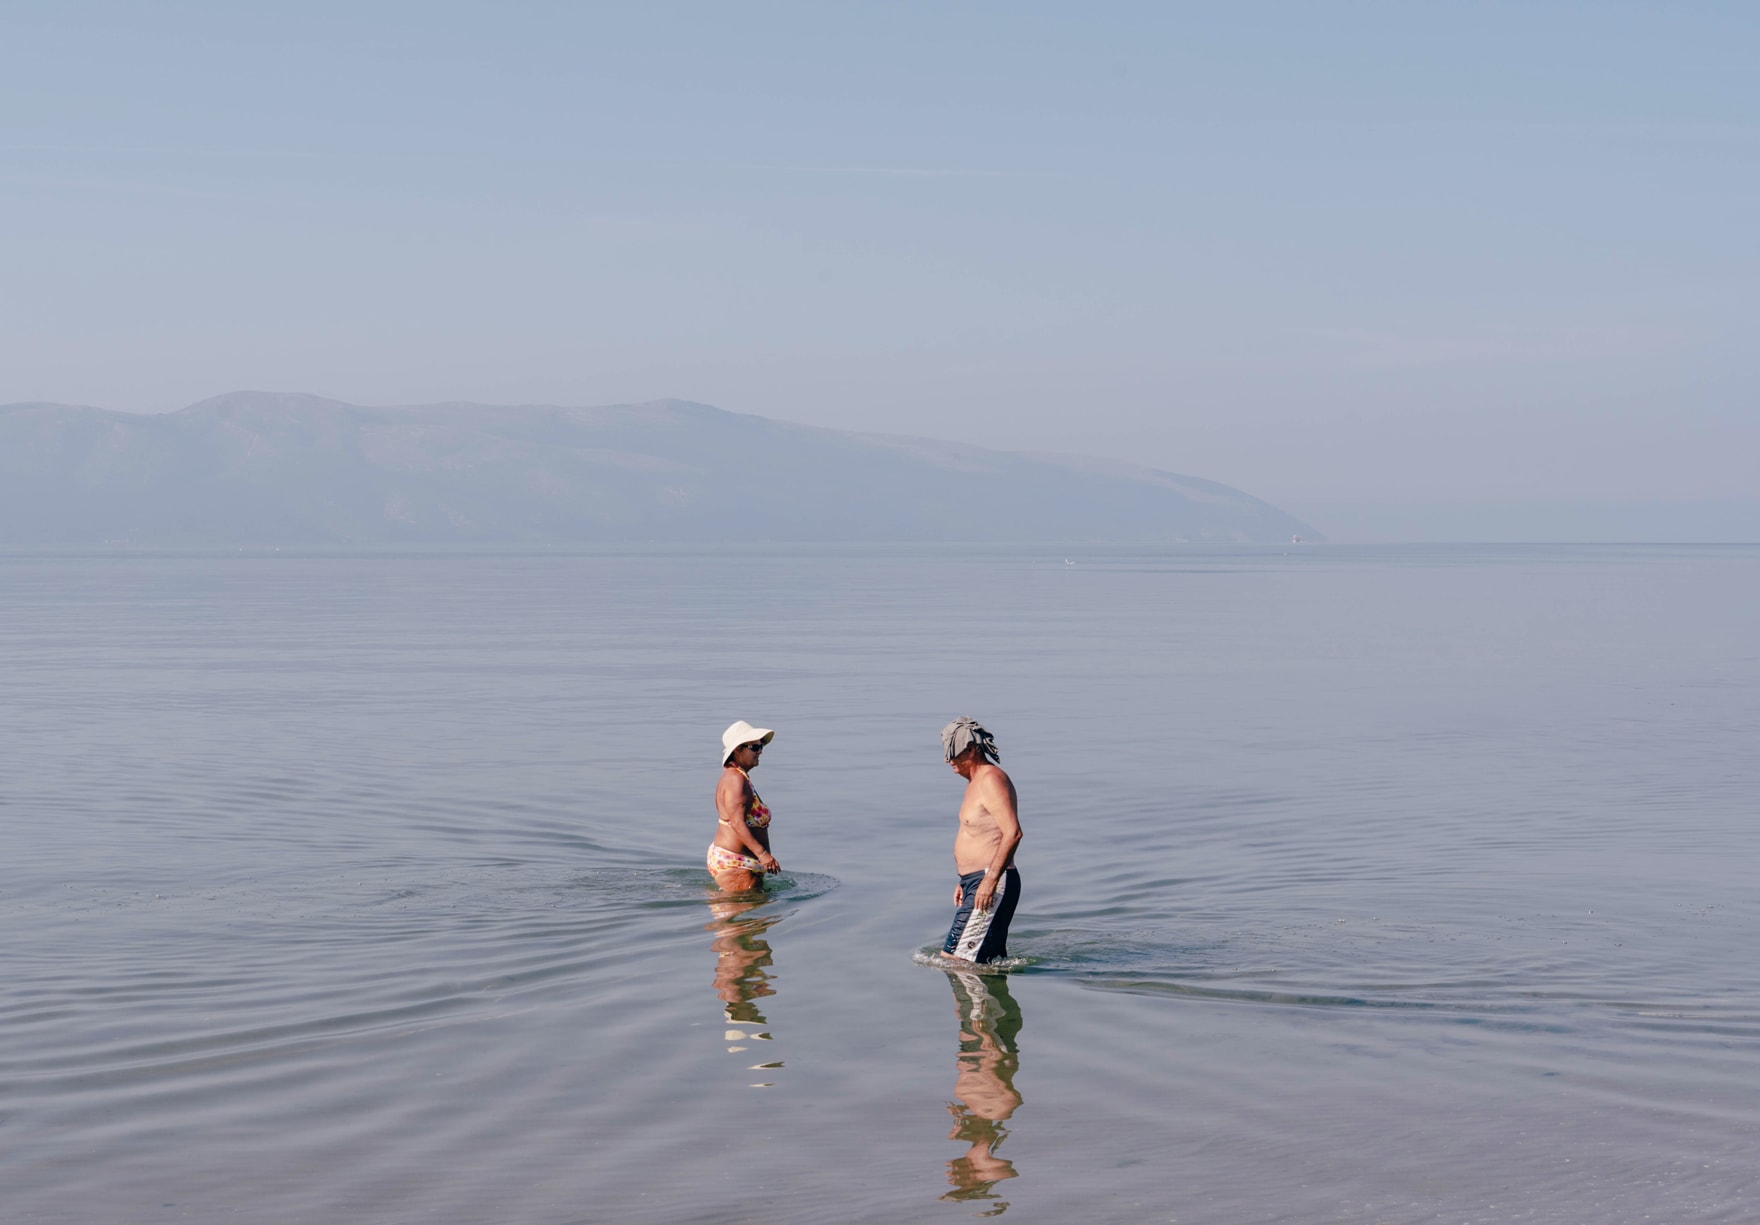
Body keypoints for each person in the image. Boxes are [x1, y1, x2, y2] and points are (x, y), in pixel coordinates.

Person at [940, 717, 1022, 964]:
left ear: (972, 749)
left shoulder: (991, 779)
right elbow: (978, 834)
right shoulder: (975, 783)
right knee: (983, 963)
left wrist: (989, 880)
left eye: (953, 752)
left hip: (990, 882)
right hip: (976, 881)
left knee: (955, 960)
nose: (948, 760)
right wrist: (964, 880)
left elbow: (1013, 832)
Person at [708, 720, 779, 891]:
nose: (760, 751)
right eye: (754, 747)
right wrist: (763, 855)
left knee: (749, 915)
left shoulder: (738, 777)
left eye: (761, 746)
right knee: (744, 915)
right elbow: (737, 822)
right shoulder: (735, 780)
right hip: (736, 863)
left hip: (739, 862)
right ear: (738, 750)